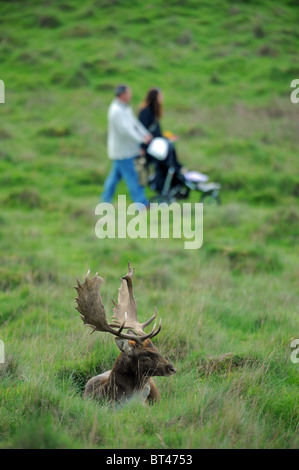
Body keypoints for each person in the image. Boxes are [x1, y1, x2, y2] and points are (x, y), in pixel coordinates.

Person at [101, 85, 152, 208]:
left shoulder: (125, 108)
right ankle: (142, 205)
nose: (131, 96)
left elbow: (134, 123)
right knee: (133, 178)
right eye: (129, 93)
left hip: (125, 151)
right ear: (122, 95)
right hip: (123, 152)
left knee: (114, 178)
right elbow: (125, 131)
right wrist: (141, 140)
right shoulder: (116, 111)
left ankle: (105, 201)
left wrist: (145, 134)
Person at [138, 87, 185, 192]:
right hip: (151, 148)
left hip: (155, 146)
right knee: (165, 164)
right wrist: (142, 147)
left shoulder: (154, 112)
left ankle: (171, 185)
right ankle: (163, 187)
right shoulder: (146, 112)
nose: (162, 98)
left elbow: (156, 133)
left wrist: (167, 137)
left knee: (168, 156)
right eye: (160, 96)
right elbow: (142, 131)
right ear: (154, 97)